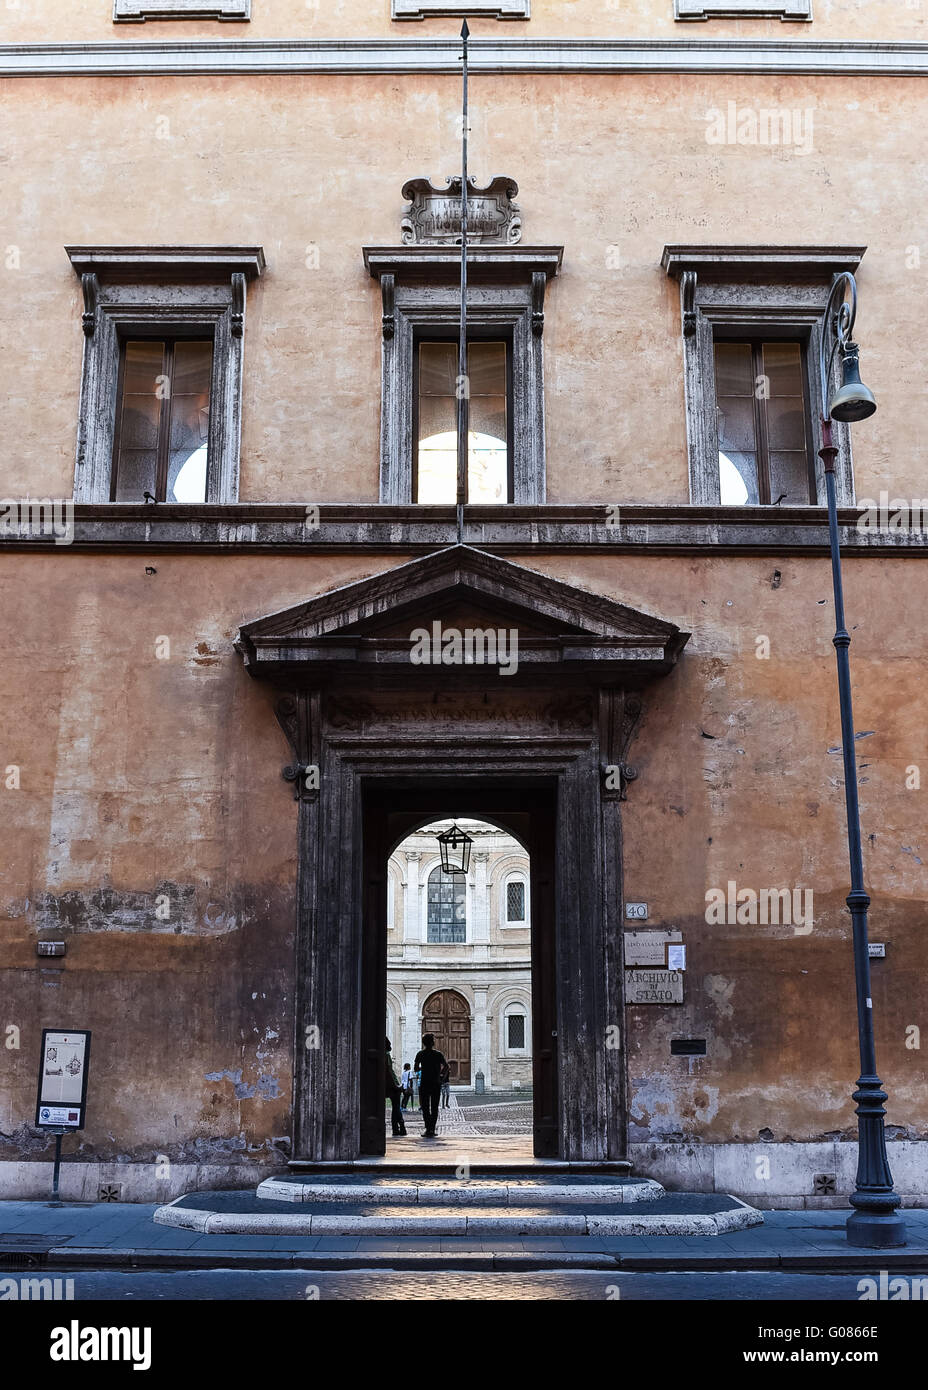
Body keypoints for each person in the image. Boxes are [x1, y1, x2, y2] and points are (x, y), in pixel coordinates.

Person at [413, 1033, 447, 1138]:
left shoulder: (420, 1054)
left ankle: (428, 1129)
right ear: (432, 1043)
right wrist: (441, 1077)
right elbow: (446, 1066)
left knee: (425, 1107)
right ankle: (432, 1129)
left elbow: (415, 1068)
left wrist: (423, 1069)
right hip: (436, 1083)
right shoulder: (438, 1054)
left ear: (423, 1043)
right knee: (434, 1107)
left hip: (424, 1083)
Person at [385, 1038, 406, 1137]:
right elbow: (389, 1072)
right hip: (391, 1085)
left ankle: (397, 1128)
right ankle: (399, 1126)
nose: (390, 1044)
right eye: (388, 1043)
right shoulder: (386, 1055)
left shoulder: (383, 1055)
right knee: (396, 1106)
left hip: (388, 1084)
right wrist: (396, 1085)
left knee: (396, 1107)